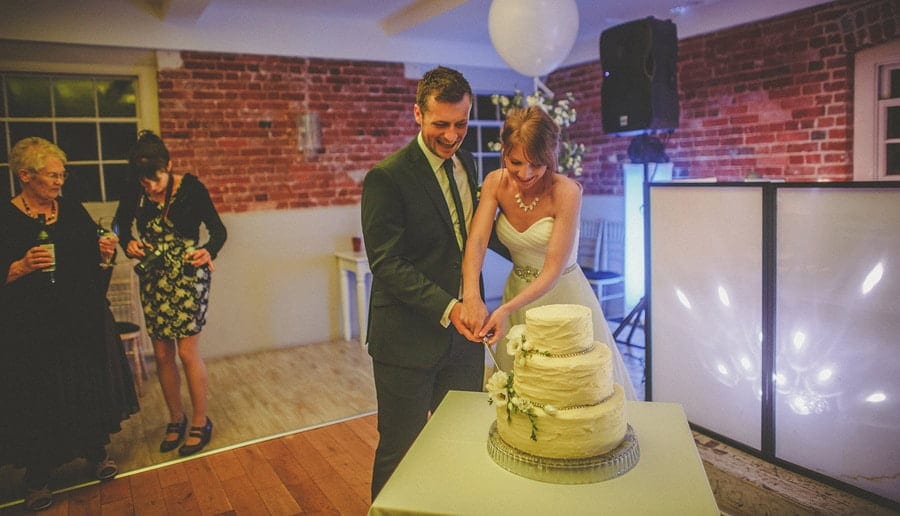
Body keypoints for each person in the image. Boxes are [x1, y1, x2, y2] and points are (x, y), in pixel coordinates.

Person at [361, 66, 504, 500]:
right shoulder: (387, 177)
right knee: (401, 450)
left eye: (460, 123)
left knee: (461, 439)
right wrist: (449, 306)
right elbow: (387, 262)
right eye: (441, 124)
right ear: (417, 115)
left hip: (465, 337)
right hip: (405, 339)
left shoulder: (470, 162)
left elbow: (473, 238)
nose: (452, 134)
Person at [459, 106, 637, 400]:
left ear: (549, 158)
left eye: (537, 164)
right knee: (523, 391)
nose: (525, 174)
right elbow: (477, 242)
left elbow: (553, 270)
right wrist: (472, 296)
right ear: (504, 151)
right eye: (516, 162)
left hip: (563, 296)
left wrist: (502, 310)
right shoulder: (495, 183)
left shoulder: (567, 192)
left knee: (569, 394)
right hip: (516, 295)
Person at [0, 137, 135, 511]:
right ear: (25, 176)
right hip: (29, 328)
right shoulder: (5, 218)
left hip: (79, 319)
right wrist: (20, 266)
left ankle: (96, 453)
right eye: (52, 176)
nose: (60, 182)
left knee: (84, 388)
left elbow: (94, 262)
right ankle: (38, 477)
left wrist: (105, 253)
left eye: (62, 175)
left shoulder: (71, 210)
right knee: (38, 398)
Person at [113, 130, 227, 457]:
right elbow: (120, 225)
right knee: (162, 354)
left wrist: (208, 252)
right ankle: (176, 419)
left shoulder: (191, 188)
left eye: (155, 178)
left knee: (187, 353)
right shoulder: (134, 188)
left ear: (170, 165)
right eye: (144, 182)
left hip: (189, 274)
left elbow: (219, 231)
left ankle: (200, 422)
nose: (150, 186)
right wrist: (127, 243)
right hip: (153, 275)